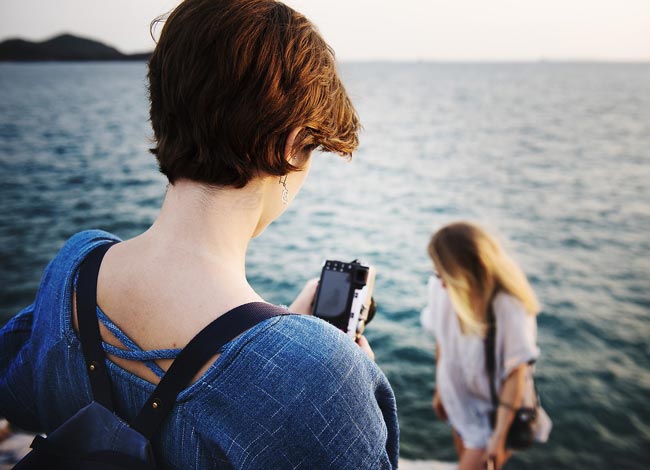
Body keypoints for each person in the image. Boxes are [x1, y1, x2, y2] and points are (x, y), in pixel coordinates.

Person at [0, 1, 399, 468]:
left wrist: (283, 340)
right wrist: (315, 358)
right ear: (292, 146)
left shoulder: (74, 268)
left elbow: (18, 392)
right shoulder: (322, 379)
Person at [421, 221, 549, 469]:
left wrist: (499, 437)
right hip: (460, 404)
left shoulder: (508, 306)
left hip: (494, 416)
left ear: (466, 271)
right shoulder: (441, 287)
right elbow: (442, 343)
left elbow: (516, 373)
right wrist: (440, 391)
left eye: (445, 272)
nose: (440, 280)